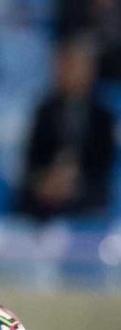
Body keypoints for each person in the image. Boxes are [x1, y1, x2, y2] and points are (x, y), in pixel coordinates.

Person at [17, 37, 117, 221]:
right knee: (26, 199)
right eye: (69, 66)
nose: (74, 72)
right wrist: (47, 181)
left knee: (94, 201)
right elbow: (31, 159)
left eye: (80, 66)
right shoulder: (44, 111)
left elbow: (104, 165)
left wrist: (75, 182)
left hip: (86, 191)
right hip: (46, 191)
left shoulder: (103, 116)